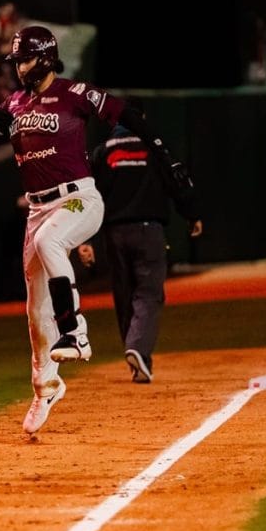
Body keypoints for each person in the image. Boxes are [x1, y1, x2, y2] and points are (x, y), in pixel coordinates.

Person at [0, 25, 190, 436]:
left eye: (25, 59)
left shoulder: (75, 93)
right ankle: (45, 387)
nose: (19, 67)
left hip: (78, 198)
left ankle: (76, 330)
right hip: (38, 207)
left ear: (45, 57)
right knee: (35, 314)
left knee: (49, 241)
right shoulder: (18, 102)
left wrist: (165, 154)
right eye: (17, 60)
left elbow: (130, 114)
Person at [80, 98, 201, 384]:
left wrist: (85, 239)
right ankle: (137, 348)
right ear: (142, 117)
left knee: (124, 297)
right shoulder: (154, 147)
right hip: (149, 231)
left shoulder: (101, 152)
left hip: (113, 234)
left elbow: (87, 197)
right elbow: (177, 182)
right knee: (148, 293)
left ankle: (139, 363)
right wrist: (191, 214)